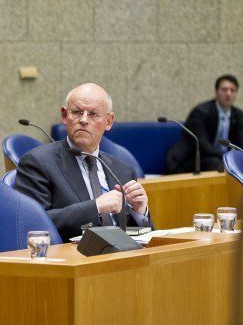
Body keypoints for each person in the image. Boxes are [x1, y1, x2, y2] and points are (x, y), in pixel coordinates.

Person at [14, 83, 151, 240]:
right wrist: (96, 207)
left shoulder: (122, 169)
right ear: (65, 116)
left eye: (93, 114)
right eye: (77, 112)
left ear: (109, 121)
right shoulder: (37, 162)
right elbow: (32, 223)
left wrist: (140, 213)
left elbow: (139, 237)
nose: (84, 120)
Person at [166, 74, 243, 174]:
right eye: (224, 90)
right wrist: (229, 155)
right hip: (189, 160)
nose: (228, 94)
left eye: (232, 90)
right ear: (216, 92)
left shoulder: (238, 114)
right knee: (219, 164)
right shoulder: (200, 112)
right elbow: (203, 147)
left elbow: (241, 141)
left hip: (217, 158)